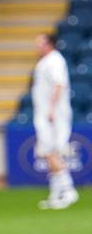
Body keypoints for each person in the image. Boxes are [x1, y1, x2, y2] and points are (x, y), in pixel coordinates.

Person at [32, 33, 79, 210]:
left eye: (39, 43)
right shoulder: (45, 62)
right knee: (46, 151)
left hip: (53, 115)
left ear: (49, 44)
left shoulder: (55, 61)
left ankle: (68, 190)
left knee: (51, 151)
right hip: (44, 113)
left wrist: (51, 109)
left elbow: (59, 84)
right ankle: (56, 192)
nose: (36, 46)